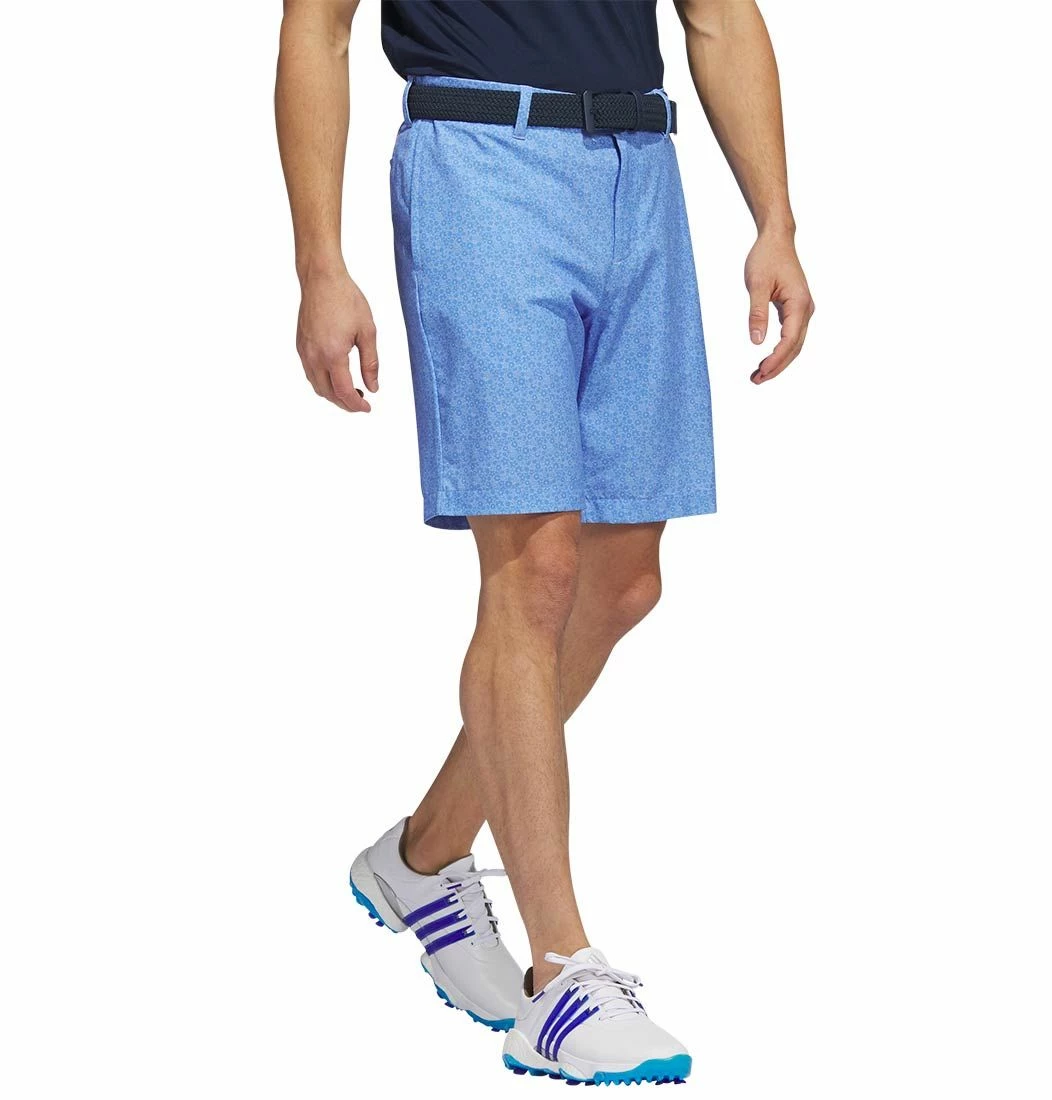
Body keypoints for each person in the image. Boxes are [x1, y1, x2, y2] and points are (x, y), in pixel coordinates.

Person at [275, 0, 813, 1085]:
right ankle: (560, 975)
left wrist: (775, 221)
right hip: (480, 164)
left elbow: (718, 17)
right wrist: (320, 264)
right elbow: (316, 30)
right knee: (533, 572)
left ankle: (423, 855)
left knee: (624, 583)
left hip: (639, 171)